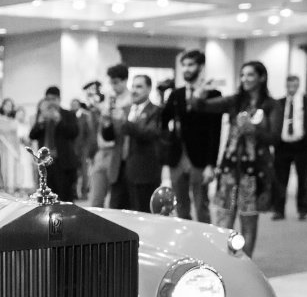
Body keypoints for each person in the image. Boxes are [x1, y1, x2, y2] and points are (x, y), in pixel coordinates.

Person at [192, 61, 279, 257]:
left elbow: (274, 138)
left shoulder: (271, 105)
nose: (245, 79)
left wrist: (253, 129)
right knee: (224, 219)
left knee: (248, 220)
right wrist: (200, 92)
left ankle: (246, 264)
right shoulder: (235, 101)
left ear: (261, 77)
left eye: (250, 75)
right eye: (242, 75)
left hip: (253, 172)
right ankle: (224, 262)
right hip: (230, 171)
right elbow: (200, 106)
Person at [161, 49, 223, 222]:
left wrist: (211, 164)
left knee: (201, 205)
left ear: (201, 67)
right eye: (184, 65)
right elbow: (163, 121)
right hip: (177, 157)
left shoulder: (213, 95)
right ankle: (184, 237)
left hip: (200, 158)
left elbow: (215, 132)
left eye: (191, 65)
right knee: (180, 205)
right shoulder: (176, 94)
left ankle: (204, 238)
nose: (186, 69)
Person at [101, 75, 163, 213]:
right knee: (116, 215)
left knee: (140, 214)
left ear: (149, 89)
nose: (134, 90)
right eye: (133, 86)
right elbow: (109, 136)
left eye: (139, 86)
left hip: (142, 174)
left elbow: (148, 134)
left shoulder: (157, 111)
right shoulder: (125, 109)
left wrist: (125, 122)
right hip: (119, 171)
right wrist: (107, 122)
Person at [273, 74, 307, 221]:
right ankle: (279, 210)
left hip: (302, 146)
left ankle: (303, 209)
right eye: (289, 85)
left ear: (298, 85)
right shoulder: (279, 103)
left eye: (294, 85)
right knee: (280, 180)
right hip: (283, 146)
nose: (291, 88)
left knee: (304, 179)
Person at [29, 86, 80, 200]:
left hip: (63, 164)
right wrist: (40, 123)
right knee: (47, 200)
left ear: (59, 99)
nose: (51, 102)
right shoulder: (42, 115)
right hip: (46, 164)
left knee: (65, 199)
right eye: (48, 99)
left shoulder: (68, 114)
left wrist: (59, 120)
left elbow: (73, 133)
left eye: (53, 99)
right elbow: (32, 135)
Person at [96, 64, 130, 208]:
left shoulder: (131, 102)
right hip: (103, 151)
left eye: (116, 82)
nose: (113, 86)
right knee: (96, 199)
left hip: (118, 153)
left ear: (125, 80)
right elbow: (104, 130)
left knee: (116, 201)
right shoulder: (109, 100)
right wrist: (105, 118)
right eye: (111, 83)